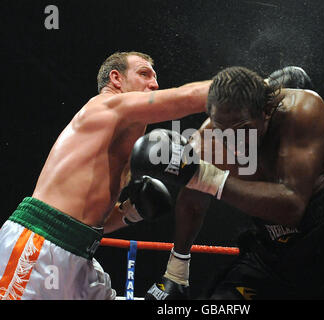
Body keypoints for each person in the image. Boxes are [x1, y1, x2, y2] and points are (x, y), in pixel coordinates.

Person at [132, 66, 324, 300]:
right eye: (221, 127)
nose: (231, 139)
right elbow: (192, 202)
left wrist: (202, 175)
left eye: (242, 127)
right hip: (275, 248)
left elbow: (291, 205)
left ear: (267, 111)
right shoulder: (208, 138)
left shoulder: (303, 110)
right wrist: (176, 271)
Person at [0, 51, 212, 300]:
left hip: (80, 255)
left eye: (155, 78)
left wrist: (130, 213)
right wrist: (250, 87)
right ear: (116, 79)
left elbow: (92, 223)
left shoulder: (124, 149)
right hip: (38, 247)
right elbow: (183, 99)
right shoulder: (104, 105)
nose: (154, 85)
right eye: (144, 74)